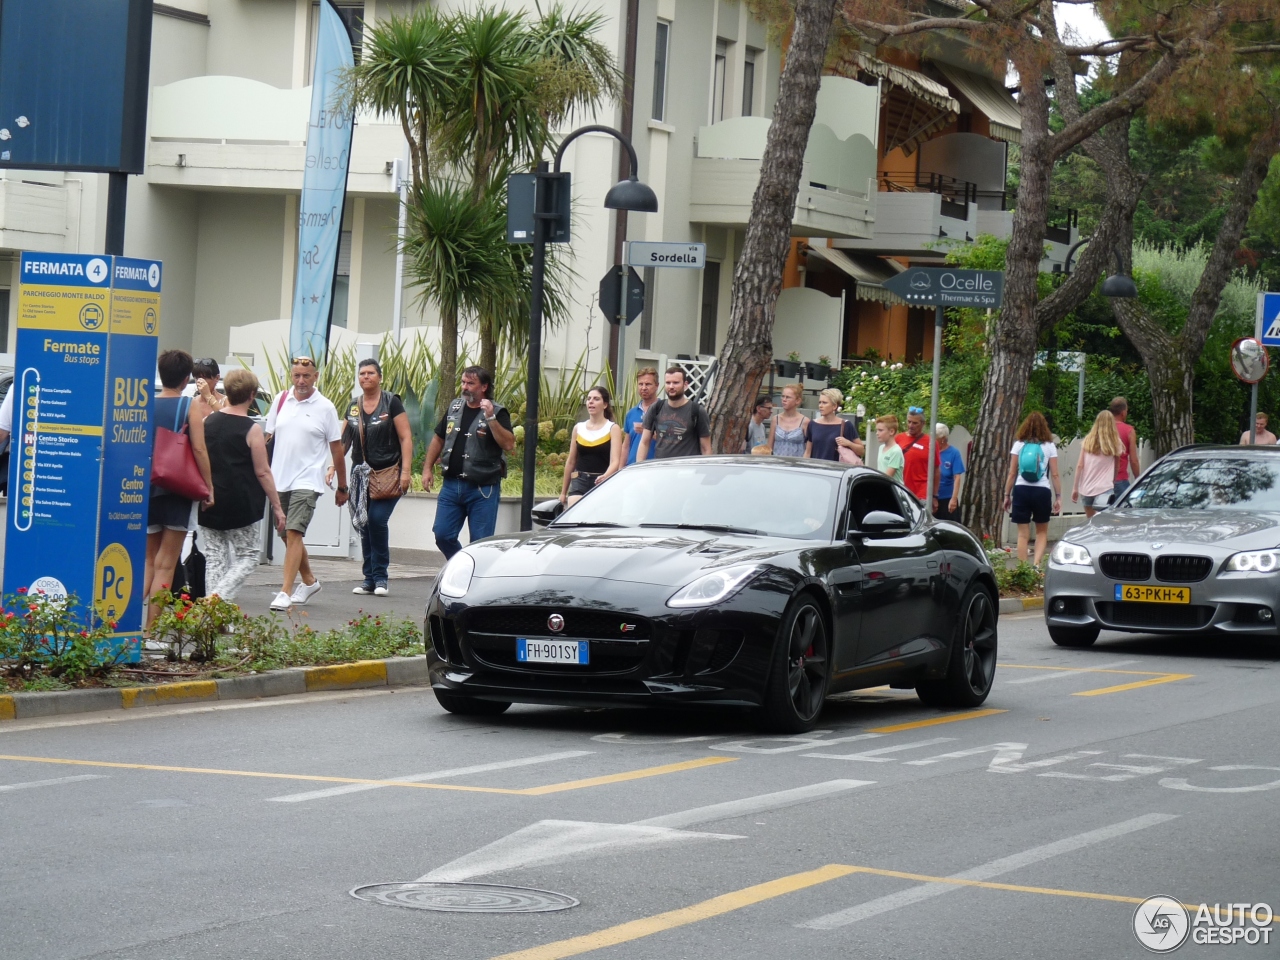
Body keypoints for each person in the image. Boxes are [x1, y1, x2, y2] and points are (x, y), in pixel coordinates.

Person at [264, 356, 348, 611]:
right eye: (297, 375)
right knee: (287, 537)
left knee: (294, 532)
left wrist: (342, 486)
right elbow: (267, 439)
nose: (301, 380)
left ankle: (284, 592)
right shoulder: (280, 401)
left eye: (307, 376)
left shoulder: (325, 407)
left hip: (307, 481)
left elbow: (337, 450)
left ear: (316, 377)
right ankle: (309, 581)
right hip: (279, 480)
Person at [197, 370, 286, 600]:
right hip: (241, 502)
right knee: (248, 555)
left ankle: (216, 618)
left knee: (215, 556)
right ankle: (216, 601)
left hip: (209, 497)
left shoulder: (208, 422)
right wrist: (277, 506)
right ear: (252, 395)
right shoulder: (251, 429)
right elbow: (263, 471)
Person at [143, 350, 215, 630]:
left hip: (147, 488)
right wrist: (208, 487)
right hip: (176, 489)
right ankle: (151, 630)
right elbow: (198, 448)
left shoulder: (145, 403)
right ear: (187, 379)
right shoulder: (189, 406)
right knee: (166, 564)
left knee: (148, 560)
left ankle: (124, 625)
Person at [422, 365, 515, 559]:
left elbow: (508, 444)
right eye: (463, 382)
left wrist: (490, 418)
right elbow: (439, 438)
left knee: (480, 543)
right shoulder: (455, 407)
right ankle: (462, 565)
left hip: (482, 488)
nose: (465, 387)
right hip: (451, 485)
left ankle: (475, 579)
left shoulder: (498, 411)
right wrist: (427, 469)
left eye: (471, 383)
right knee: (442, 534)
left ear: (484, 387)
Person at [341, 359, 414, 597]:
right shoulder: (354, 405)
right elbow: (343, 441)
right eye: (362, 373)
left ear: (379, 377)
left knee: (377, 520)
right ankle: (369, 579)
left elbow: (405, 438)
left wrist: (406, 472)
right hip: (360, 476)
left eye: (371, 373)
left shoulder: (391, 402)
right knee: (364, 523)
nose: (366, 377)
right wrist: (333, 467)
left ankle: (381, 577)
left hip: (388, 474)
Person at [1003, 411, 1061, 566]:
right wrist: (1059, 497)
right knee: (1042, 532)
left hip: (1021, 490)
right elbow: (1054, 474)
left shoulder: (1019, 445)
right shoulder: (1049, 446)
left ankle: (1022, 569)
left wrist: (1006, 495)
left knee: (1022, 534)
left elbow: (1012, 472)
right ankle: (1036, 566)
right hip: (1042, 491)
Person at [560, 386, 625, 506]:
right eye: (589, 398)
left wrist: (605, 476)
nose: (591, 401)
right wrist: (563, 492)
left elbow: (615, 461)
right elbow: (571, 461)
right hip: (580, 479)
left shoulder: (612, 428)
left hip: (601, 480)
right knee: (576, 516)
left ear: (605, 405)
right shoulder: (578, 428)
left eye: (596, 399)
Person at [637, 366, 712, 461]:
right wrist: (639, 466)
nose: (671, 386)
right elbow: (644, 442)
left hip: (687, 470)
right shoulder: (656, 408)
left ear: (685, 385)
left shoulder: (697, 411)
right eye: (668, 383)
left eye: (676, 383)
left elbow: (706, 448)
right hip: (661, 469)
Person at [1072, 409, 1123, 518]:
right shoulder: (1115, 442)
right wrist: (1112, 480)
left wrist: (1075, 488)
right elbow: (1117, 466)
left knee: (1091, 522)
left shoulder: (1088, 441)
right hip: (1104, 488)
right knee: (1103, 522)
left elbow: (1080, 465)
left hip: (1086, 489)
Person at [895, 406, 941, 503]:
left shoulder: (931, 442)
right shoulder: (898, 439)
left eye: (915, 423)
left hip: (922, 494)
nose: (911, 425)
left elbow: (936, 470)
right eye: (909, 421)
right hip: (901, 490)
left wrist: (934, 496)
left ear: (923, 424)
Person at [804, 388, 863, 461]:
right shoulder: (813, 424)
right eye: (820, 402)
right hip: (816, 469)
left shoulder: (845, 425)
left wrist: (849, 443)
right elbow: (807, 452)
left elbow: (861, 451)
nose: (820, 405)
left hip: (836, 470)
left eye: (824, 403)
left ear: (834, 406)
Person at [624, 367, 658, 464]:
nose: (644, 388)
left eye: (648, 384)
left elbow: (669, 441)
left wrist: (646, 431)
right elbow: (626, 446)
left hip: (656, 468)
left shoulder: (664, 410)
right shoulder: (631, 413)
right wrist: (620, 469)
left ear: (657, 386)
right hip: (633, 468)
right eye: (640, 384)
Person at [934, 424, 966, 521]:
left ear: (943, 439)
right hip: (930, 498)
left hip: (946, 498)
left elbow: (957, 477)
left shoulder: (953, 453)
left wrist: (954, 499)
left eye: (935, 438)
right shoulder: (930, 452)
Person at [1109, 397, 1140, 497]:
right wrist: (1138, 479)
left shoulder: (1103, 429)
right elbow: (1134, 461)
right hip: (1120, 479)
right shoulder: (1129, 431)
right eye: (1126, 410)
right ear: (1123, 412)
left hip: (1102, 481)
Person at [768, 383, 809, 457]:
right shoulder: (775, 419)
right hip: (777, 463)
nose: (784, 400)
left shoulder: (805, 421)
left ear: (797, 400)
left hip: (796, 465)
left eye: (788, 397)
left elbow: (808, 449)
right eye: (783, 396)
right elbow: (769, 447)